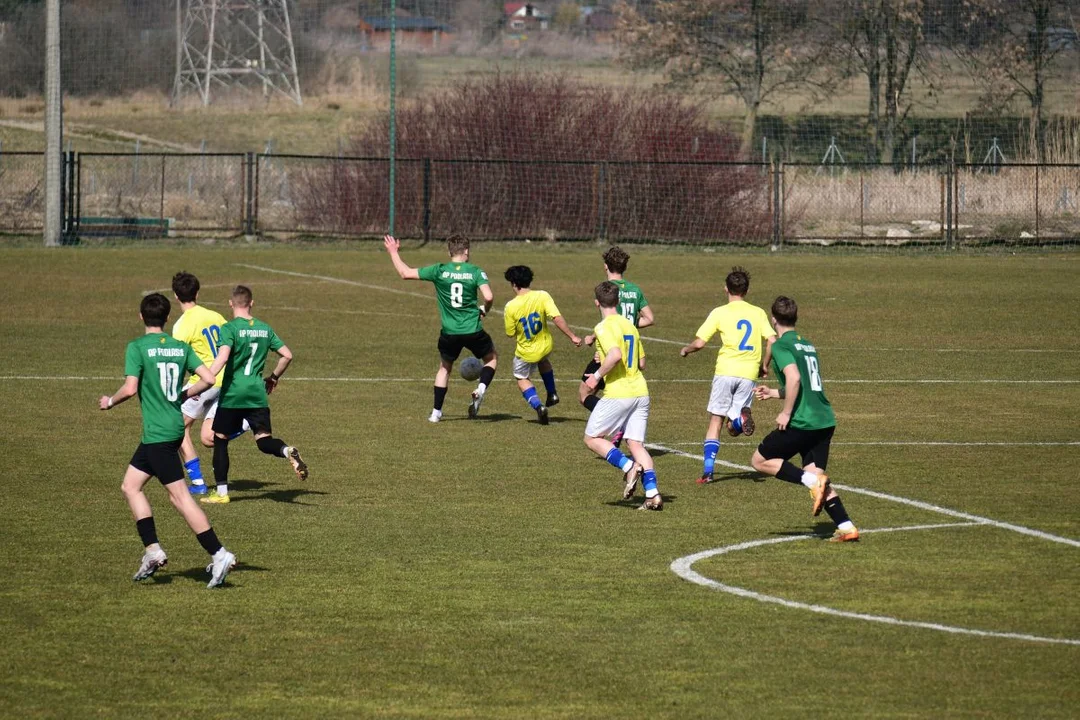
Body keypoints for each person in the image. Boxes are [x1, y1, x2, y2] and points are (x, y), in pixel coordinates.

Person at [98, 292, 236, 588]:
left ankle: (219, 553)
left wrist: (109, 401)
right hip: (167, 430)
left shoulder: (137, 347)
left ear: (141, 317)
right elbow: (209, 379)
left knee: (180, 498)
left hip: (159, 435)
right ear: (166, 317)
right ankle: (152, 550)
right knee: (130, 486)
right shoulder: (178, 347)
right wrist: (185, 393)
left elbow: (131, 388)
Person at [750, 296, 859, 542]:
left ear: (773, 318)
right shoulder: (807, 345)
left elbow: (795, 378)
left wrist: (786, 412)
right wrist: (775, 393)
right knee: (817, 482)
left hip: (804, 422)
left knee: (759, 460)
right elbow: (806, 385)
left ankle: (813, 481)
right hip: (824, 420)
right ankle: (847, 527)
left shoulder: (780, 345)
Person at [202, 285, 307, 504]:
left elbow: (222, 359)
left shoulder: (229, 328)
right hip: (257, 393)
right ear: (252, 303)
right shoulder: (264, 329)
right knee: (263, 441)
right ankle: (287, 450)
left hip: (233, 394)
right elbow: (287, 355)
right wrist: (274, 377)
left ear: (231, 303)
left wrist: (206, 380)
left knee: (220, 440)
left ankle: (221, 493)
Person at [384, 233, 497, 422]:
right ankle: (481, 389)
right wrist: (484, 309)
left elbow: (405, 273)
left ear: (449, 252)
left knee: (444, 368)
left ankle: (436, 413)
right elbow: (489, 296)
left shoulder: (440, 270)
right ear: (467, 251)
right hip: (473, 329)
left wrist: (393, 252)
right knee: (491, 358)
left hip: (449, 332)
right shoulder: (476, 271)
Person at [679, 266, 775, 484]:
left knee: (716, 420)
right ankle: (740, 421)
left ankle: (708, 471)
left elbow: (700, 343)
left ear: (726, 289)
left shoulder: (719, 312)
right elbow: (772, 340)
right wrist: (765, 365)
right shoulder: (758, 312)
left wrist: (686, 349)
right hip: (749, 373)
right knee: (733, 428)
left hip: (725, 371)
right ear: (746, 291)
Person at [582, 281, 662, 511]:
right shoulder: (630, 326)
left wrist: (596, 376)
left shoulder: (603, 327)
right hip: (640, 391)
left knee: (592, 438)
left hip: (619, 393)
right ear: (617, 301)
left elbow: (615, 355)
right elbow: (642, 362)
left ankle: (628, 467)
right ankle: (653, 493)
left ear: (597, 302)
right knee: (636, 443)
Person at [170, 271, 248, 496]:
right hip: (228, 381)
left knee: (177, 427)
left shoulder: (182, 325)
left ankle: (197, 483)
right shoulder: (215, 316)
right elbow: (232, 344)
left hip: (205, 383)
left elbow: (178, 359)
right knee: (207, 438)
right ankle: (244, 424)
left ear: (176, 295)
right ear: (197, 292)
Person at [580, 246, 654, 446]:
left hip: (609, 350)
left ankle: (617, 424)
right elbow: (649, 318)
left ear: (605, 266)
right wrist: (630, 325)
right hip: (632, 350)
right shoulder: (634, 290)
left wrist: (593, 337)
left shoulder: (607, 289)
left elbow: (610, 323)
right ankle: (622, 424)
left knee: (584, 393)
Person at [503, 265, 582, 425]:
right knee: (543, 360)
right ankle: (552, 393)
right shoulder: (542, 295)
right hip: (545, 346)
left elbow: (510, 333)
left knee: (521, 377)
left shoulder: (510, 306)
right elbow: (557, 318)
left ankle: (539, 406)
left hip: (527, 352)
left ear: (513, 284)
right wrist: (572, 336)